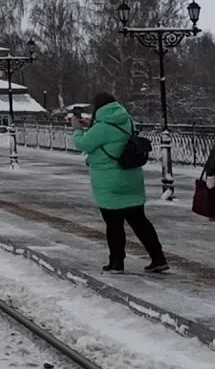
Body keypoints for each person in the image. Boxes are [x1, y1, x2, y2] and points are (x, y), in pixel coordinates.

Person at [71, 92, 168, 274]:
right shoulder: (127, 120)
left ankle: (116, 263)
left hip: (110, 182)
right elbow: (109, 137)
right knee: (140, 221)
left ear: (98, 107)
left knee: (114, 224)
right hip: (131, 178)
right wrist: (90, 127)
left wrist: (77, 129)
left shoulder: (102, 127)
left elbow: (83, 144)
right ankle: (158, 258)